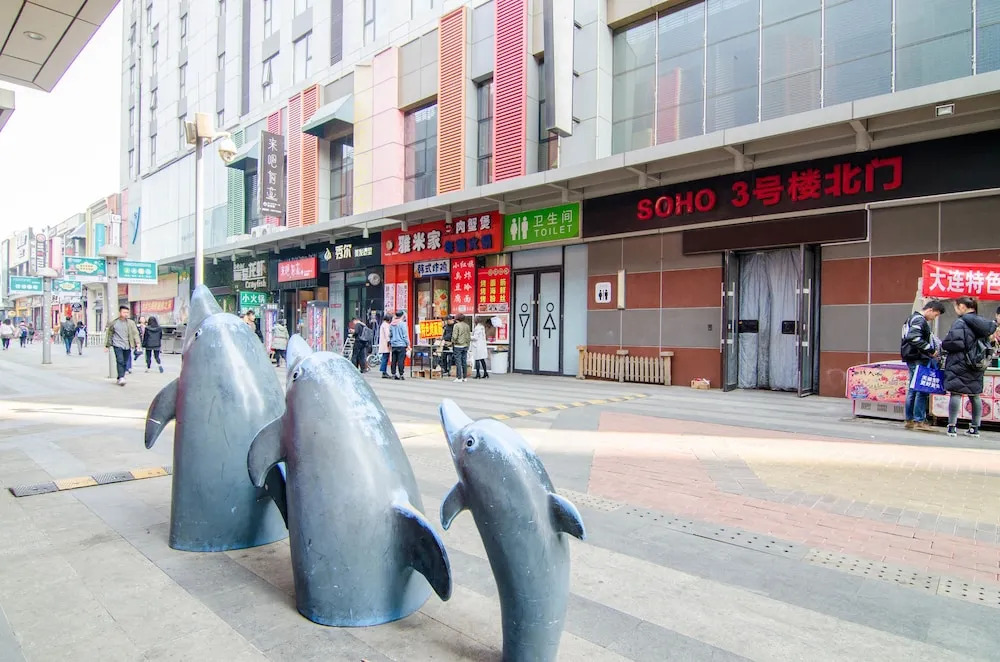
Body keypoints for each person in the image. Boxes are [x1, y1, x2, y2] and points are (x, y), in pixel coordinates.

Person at [941, 296, 998, 438]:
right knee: (975, 395)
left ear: (962, 307)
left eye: (956, 307)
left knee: (956, 393)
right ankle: (974, 428)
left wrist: (944, 344)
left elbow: (955, 343)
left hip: (960, 362)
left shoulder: (960, 322)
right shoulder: (983, 323)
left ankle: (952, 427)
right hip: (977, 363)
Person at [900, 301, 945, 431]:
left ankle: (910, 420)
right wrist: (930, 349)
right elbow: (914, 338)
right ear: (930, 310)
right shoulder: (919, 320)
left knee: (913, 388)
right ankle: (919, 420)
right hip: (918, 357)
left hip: (911, 356)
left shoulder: (912, 318)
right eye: (935, 315)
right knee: (921, 389)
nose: (934, 318)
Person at [104, 305, 141, 386]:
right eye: (124, 312)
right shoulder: (114, 323)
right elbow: (109, 335)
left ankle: (120, 376)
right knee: (120, 360)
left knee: (124, 361)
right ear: (120, 312)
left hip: (127, 344)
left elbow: (135, 333)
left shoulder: (131, 323)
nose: (126, 314)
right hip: (117, 344)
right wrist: (107, 345)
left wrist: (138, 343)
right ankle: (121, 377)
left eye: (127, 312)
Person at [389, 310, 409, 380]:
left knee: (394, 360)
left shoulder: (391, 324)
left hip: (394, 344)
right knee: (401, 360)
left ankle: (393, 374)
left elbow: (390, 334)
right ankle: (401, 374)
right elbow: (405, 335)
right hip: (401, 344)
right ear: (402, 316)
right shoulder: (402, 324)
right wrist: (408, 344)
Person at [451, 314, 472, 383]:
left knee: (458, 362)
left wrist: (453, 342)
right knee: (464, 361)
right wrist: (468, 344)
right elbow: (468, 336)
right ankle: (464, 377)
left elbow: (454, 336)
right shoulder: (467, 326)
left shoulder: (456, 325)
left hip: (458, 345)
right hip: (465, 345)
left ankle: (459, 377)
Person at [378, 313, 392, 378]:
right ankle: (384, 371)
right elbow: (387, 334)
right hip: (385, 344)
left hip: (384, 343)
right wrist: (389, 341)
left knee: (384, 357)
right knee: (385, 357)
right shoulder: (386, 325)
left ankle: (383, 370)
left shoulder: (383, 324)